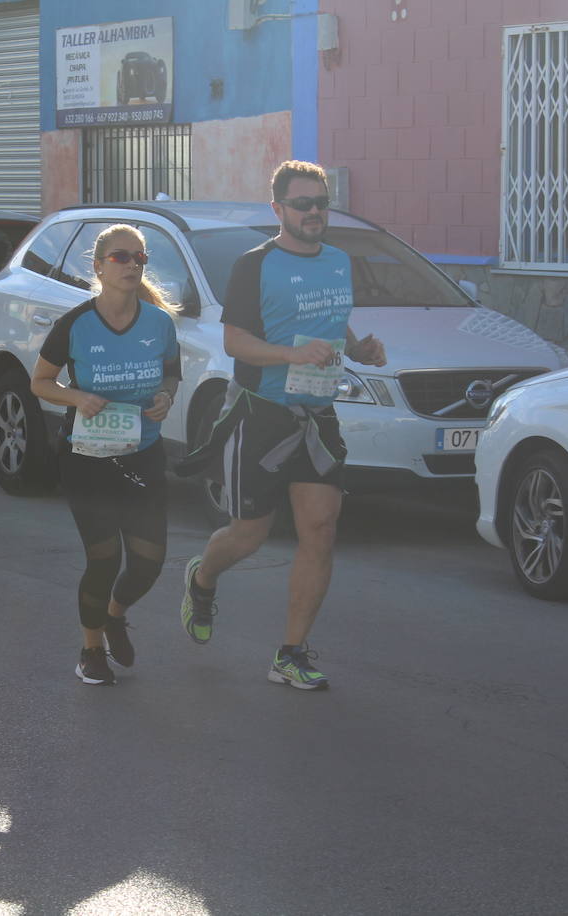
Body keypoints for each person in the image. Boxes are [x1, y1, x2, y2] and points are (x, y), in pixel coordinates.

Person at [175, 160, 387, 690]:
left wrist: (359, 347)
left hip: (317, 412)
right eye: (303, 204)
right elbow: (234, 341)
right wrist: (288, 353)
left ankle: (290, 653)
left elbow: (331, 321)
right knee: (249, 535)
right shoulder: (255, 265)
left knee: (320, 530)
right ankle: (202, 579)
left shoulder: (338, 261)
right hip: (260, 414)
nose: (315, 212)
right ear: (279, 210)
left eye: (321, 203)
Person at [31, 224, 180, 686]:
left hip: (143, 454)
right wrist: (78, 400)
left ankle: (114, 615)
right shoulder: (75, 324)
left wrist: (165, 398)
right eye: (121, 257)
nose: (132, 264)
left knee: (149, 561)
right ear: (98, 266)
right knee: (103, 558)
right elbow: (40, 382)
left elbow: (171, 377)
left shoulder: (159, 323)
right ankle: (90, 648)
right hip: (86, 458)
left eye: (139, 258)